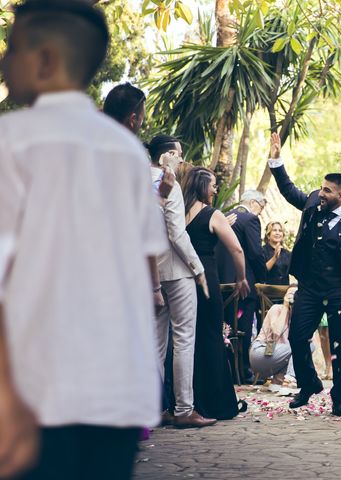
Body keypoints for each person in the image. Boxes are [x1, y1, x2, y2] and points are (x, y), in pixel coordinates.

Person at [0, 2, 166, 478]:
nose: (4, 59)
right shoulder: (129, 153)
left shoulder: (12, 140)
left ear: (46, 59)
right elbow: (141, 261)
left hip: (36, 387)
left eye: (12, 47)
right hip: (117, 386)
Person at [268, 133, 341, 418]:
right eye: (321, 188)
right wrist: (276, 160)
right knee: (299, 338)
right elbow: (289, 191)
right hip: (310, 288)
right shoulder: (313, 205)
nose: (321, 193)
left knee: (339, 345)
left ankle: (339, 398)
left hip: (338, 289)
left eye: (327, 190)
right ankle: (309, 383)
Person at [147, 135, 216, 429]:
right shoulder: (169, 181)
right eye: (180, 155)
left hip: (150, 272)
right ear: (170, 156)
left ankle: (153, 408)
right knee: (184, 339)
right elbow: (176, 233)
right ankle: (184, 409)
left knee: (156, 343)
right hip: (177, 271)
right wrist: (198, 268)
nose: (183, 160)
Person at [183, 167, 250, 420]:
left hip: (181, 279)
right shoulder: (212, 214)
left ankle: (187, 402)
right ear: (202, 186)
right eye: (212, 185)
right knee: (211, 336)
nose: (216, 189)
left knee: (185, 340)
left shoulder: (177, 212)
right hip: (206, 281)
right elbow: (237, 250)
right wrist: (241, 278)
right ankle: (217, 404)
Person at [216, 190, 268, 383]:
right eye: (261, 207)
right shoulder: (249, 219)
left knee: (227, 327)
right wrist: (262, 278)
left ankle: (228, 371)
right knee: (244, 327)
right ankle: (244, 371)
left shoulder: (224, 216)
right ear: (254, 202)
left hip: (222, 282)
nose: (261, 212)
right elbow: (255, 253)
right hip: (243, 282)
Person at [249, 285, 298, 387]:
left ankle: (278, 381)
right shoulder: (276, 309)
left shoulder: (300, 314)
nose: (292, 297)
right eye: (289, 294)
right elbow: (276, 332)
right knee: (300, 345)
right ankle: (289, 379)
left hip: (276, 355)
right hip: (261, 352)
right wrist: (285, 306)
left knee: (308, 345)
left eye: (295, 295)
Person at [264, 221, 292, 286]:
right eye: (274, 230)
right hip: (267, 291)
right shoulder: (262, 251)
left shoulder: (287, 253)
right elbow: (261, 271)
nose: (277, 233)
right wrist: (275, 258)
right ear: (268, 235)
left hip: (284, 291)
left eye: (280, 231)